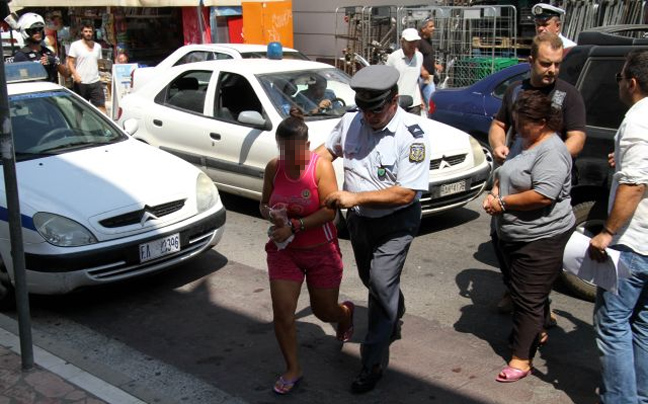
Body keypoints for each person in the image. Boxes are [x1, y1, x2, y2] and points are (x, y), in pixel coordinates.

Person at [314, 65, 431, 394]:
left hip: (397, 221)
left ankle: (373, 362)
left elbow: (407, 192)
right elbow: (324, 152)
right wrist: (290, 166)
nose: (369, 116)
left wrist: (354, 196)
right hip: (360, 222)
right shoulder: (351, 120)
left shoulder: (413, 135)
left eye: (375, 108)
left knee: (379, 285)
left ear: (393, 100)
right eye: (363, 108)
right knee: (373, 280)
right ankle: (395, 306)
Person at [488, 33, 586, 323]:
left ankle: (538, 305)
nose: (552, 70)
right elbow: (499, 123)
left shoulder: (568, 95)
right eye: (545, 64)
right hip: (511, 182)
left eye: (557, 64)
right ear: (530, 61)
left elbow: (577, 137)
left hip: (544, 185)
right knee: (502, 238)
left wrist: (548, 165)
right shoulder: (515, 91)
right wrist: (497, 145)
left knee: (539, 250)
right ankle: (514, 290)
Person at [259, 107, 354, 395]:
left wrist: (295, 225)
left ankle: (344, 314)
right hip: (284, 251)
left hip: (320, 250)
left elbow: (330, 213)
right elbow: (263, 203)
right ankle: (292, 368)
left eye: (295, 152)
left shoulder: (320, 167)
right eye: (284, 151)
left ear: (308, 147)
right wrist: (273, 214)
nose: (289, 159)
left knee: (323, 311)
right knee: (283, 312)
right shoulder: (274, 167)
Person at [483, 90, 575, 383]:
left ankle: (521, 360)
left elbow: (543, 195)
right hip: (512, 232)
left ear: (545, 122)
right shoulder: (526, 140)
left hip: (541, 237)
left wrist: (504, 204)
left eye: (525, 124)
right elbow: (505, 172)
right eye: (517, 123)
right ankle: (536, 330)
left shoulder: (553, 152)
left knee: (529, 298)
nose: (519, 130)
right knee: (521, 290)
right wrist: (496, 190)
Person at [588, 49, 648, 404]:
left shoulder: (638, 119)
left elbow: (636, 185)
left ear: (633, 82)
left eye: (619, 78)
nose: (620, 85)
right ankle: (639, 396)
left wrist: (608, 232)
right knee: (642, 324)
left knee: (612, 325)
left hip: (634, 244)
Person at [12, 12, 68, 83]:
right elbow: (18, 80)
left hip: (51, 90)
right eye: (34, 30)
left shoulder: (48, 52)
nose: (38, 33)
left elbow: (66, 73)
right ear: (26, 32)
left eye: (40, 29)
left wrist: (55, 62)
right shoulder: (21, 55)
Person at [67, 22, 106, 114]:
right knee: (79, 109)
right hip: (81, 82)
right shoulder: (75, 45)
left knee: (101, 107)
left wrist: (103, 75)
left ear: (93, 33)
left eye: (90, 31)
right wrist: (75, 75)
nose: (88, 33)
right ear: (81, 32)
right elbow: (70, 62)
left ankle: (105, 127)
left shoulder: (98, 47)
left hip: (95, 81)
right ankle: (78, 127)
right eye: (86, 31)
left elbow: (99, 63)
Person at [386, 28, 424, 115]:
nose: (413, 44)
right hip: (398, 103)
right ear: (402, 41)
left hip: (414, 103)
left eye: (415, 41)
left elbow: (416, 80)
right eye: (410, 41)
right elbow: (387, 80)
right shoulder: (393, 58)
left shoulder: (419, 57)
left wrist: (420, 98)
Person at [418, 18, 443, 110]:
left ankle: (430, 119)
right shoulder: (418, 41)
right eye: (431, 26)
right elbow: (416, 57)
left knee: (431, 103)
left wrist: (436, 65)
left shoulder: (428, 40)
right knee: (421, 103)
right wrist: (422, 70)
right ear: (423, 29)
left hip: (428, 77)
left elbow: (427, 57)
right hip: (421, 77)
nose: (434, 28)